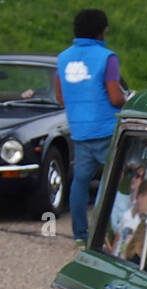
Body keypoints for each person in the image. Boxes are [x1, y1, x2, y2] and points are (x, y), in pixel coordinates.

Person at [55, 8, 125, 246]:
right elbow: (115, 97)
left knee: (80, 182)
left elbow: (61, 98)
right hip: (105, 128)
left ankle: (80, 235)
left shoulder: (62, 58)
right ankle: (108, 232)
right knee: (115, 179)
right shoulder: (107, 57)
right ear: (100, 31)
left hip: (79, 130)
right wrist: (128, 102)